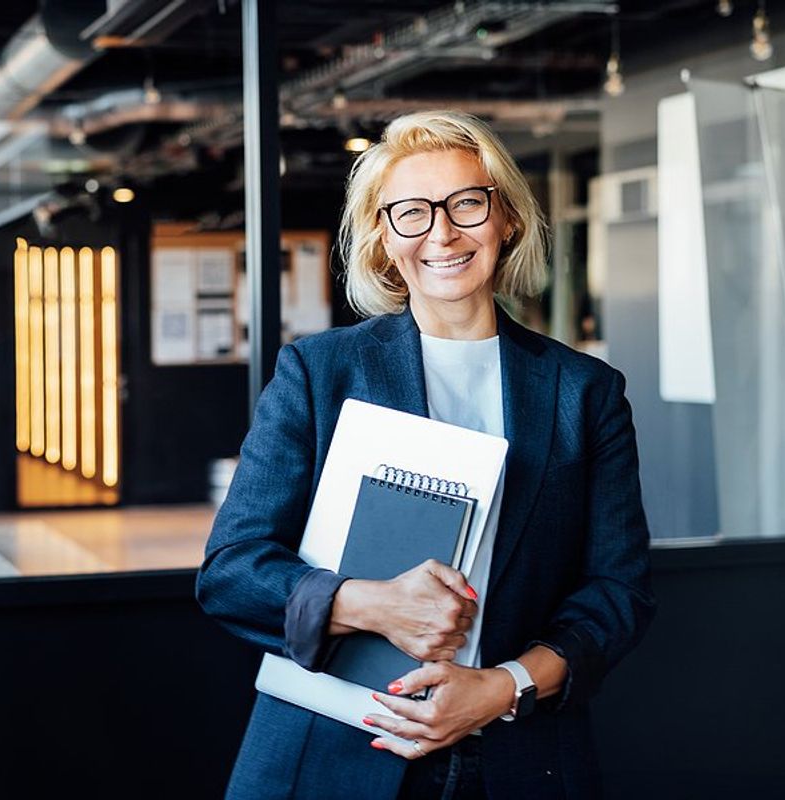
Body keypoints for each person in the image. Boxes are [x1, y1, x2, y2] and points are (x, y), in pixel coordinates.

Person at [196, 110, 655, 800]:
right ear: (384, 239)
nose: (442, 233)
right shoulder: (318, 374)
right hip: (331, 754)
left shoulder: (585, 392)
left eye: (468, 203)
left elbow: (618, 592)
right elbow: (230, 572)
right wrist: (370, 605)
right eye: (411, 212)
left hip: (517, 759)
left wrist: (504, 687)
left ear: (508, 220)